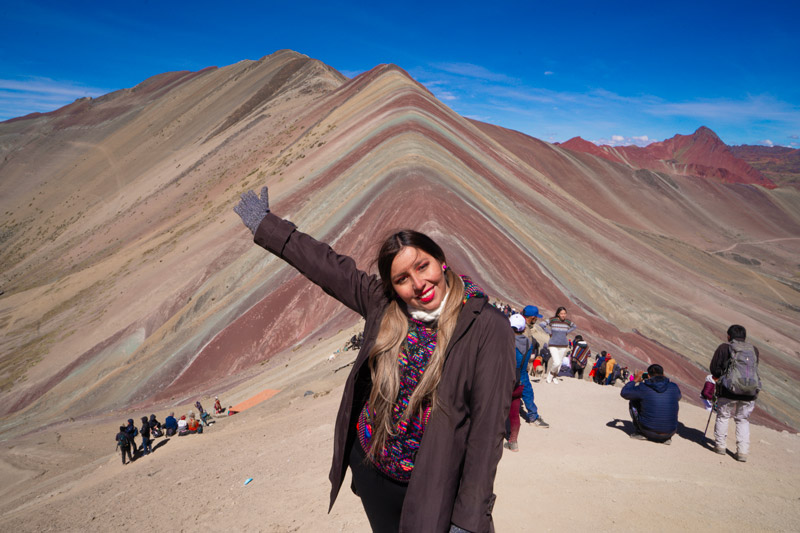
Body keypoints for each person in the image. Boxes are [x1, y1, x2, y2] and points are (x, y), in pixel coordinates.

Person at [235, 185, 514, 533]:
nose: (418, 283)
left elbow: (487, 435)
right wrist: (269, 228)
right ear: (392, 286)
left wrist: (469, 521)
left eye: (422, 266)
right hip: (372, 473)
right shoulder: (385, 306)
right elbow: (329, 268)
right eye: (402, 279)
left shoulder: (488, 328)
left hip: (431, 488)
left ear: (441, 261)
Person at [710, 324, 761, 462]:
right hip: (750, 392)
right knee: (742, 420)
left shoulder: (724, 348)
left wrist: (722, 377)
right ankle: (742, 452)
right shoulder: (754, 350)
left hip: (728, 391)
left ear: (728, 336)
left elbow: (714, 369)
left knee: (723, 416)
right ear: (744, 337)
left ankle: (720, 446)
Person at [508, 314, 548, 448]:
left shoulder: (507, 341)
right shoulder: (528, 342)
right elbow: (530, 357)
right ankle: (533, 417)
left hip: (508, 375)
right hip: (522, 373)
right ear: (523, 328)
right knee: (528, 395)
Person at [620, 364, 681, 444]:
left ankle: (640, 432)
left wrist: (634, 380)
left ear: (648, 375)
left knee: (633, 400)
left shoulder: (644, 387)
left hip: (648, 431)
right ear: (663, 374)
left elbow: (624, 393)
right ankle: (665, 436)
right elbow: (678, 397)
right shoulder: (674, 387)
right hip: (670, 433)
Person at [539, 307, 576, 384]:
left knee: (559, 363)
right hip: (553, 344)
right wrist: (549, 332)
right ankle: (550, 375)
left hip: (563, 345)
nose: (563, 315)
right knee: (556, 362)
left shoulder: (567, 322)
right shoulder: (553, 320)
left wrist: (566, 332)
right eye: (561, 313)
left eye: (565, 313)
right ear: (558, 314)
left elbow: (574, 326)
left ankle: (555, 377)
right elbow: (542, 324)